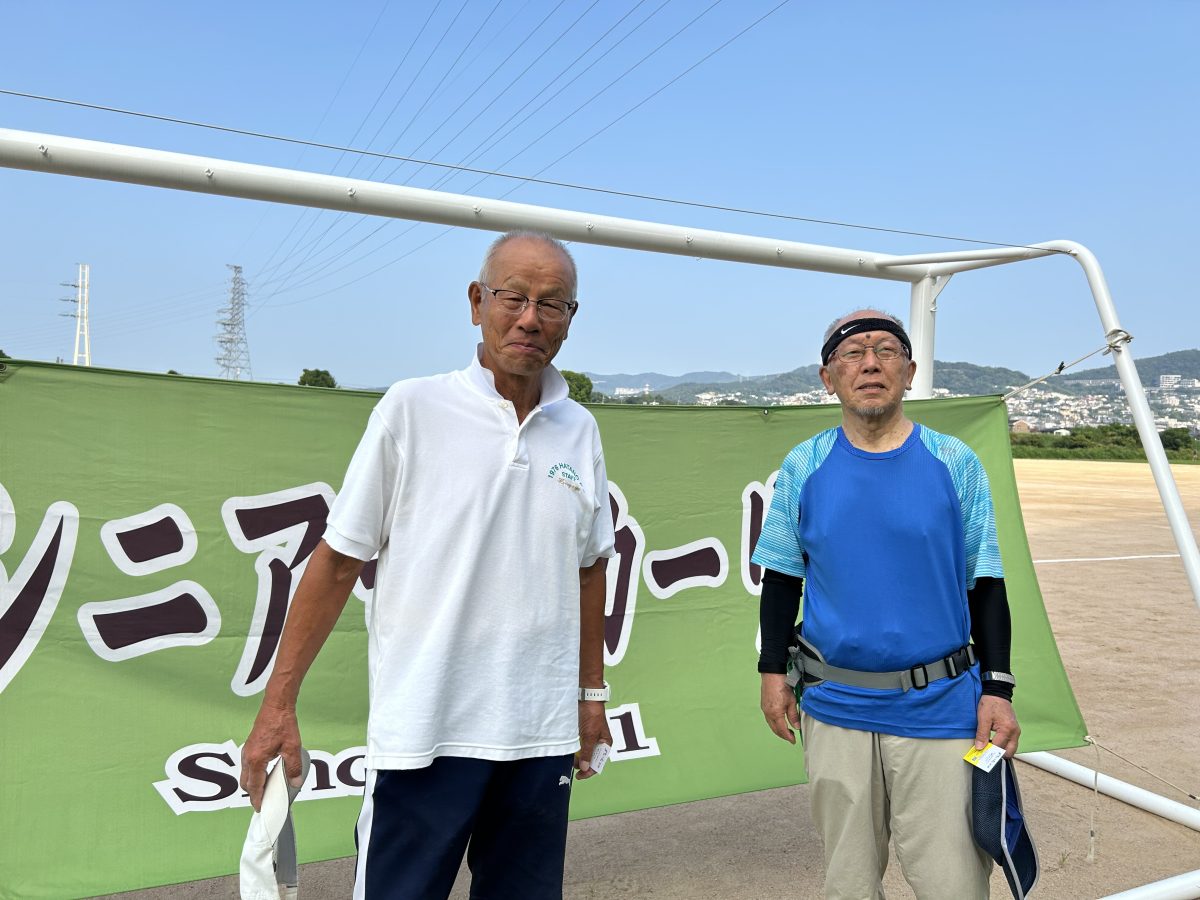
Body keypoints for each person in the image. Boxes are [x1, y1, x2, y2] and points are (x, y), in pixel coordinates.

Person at [240, 231, 616, 900]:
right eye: (513, 298)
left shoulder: (578, 429)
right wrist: (278, 706)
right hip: (423, 737)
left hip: (538, 738)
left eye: (552, 304)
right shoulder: (412, 410)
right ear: (477, 302)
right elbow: (335, 563)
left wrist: (591, 699)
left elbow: (590, 568)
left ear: (570, 319)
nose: (530, 319)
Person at [751, 309, 1021, 899]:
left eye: (885, 351)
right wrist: (773, 673)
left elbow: (988, 584)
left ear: (910, 370)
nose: (870, 363)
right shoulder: (804, 466)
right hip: (835, 704)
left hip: (943, 707)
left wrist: (998, 689)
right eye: (852, 353)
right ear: (828, 377)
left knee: (954, 884)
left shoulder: (956, 463)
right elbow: (781, 579)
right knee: (847, 884)